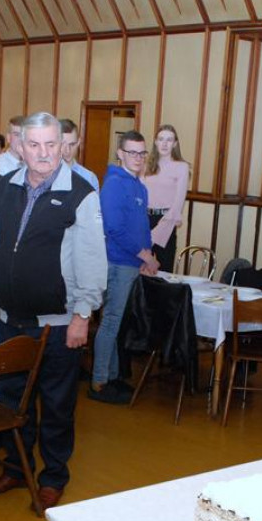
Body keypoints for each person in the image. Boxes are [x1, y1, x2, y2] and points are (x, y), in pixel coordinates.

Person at [0, 112, 107, 509]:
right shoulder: (2, 188)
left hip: (59, 325)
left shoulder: (81, 193)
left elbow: (92, 261)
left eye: (52, 144)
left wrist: (83, 315)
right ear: (20, 146)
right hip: (10, 319)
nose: (44, 153)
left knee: (57, 406)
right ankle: (17, 469)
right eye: (35, 145)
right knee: (13, 404)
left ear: (63, 145)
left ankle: (52, 477)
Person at [89, 130, 158, 404]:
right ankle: (99, 382)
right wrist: (144, 254)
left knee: (116, 323)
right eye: (132, 152)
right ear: (120, 153)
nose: (138, 158)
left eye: (142, 153)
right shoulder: (115, 184)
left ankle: (113, 375)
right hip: (117, 262)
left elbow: (142, 227)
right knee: (111, 322)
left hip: (133, 262)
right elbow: (113, 227)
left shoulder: (139, 186)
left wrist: (148, 256)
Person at [141, 124, 189, 273]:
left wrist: (154, 236)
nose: (164, 143)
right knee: (139, 271)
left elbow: (177, 206)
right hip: (143, 220)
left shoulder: (182, 167)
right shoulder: (145, 165)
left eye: (169, 140)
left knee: (164, 273)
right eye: (161, 139)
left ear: (175, 144)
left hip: (166, 222)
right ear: (155, 142)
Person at [59, 118, 99, 191]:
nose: (67, 150)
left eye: (72, 144)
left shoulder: (89, 178)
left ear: (78, 142)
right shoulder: (42, 174)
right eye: (62, 144)